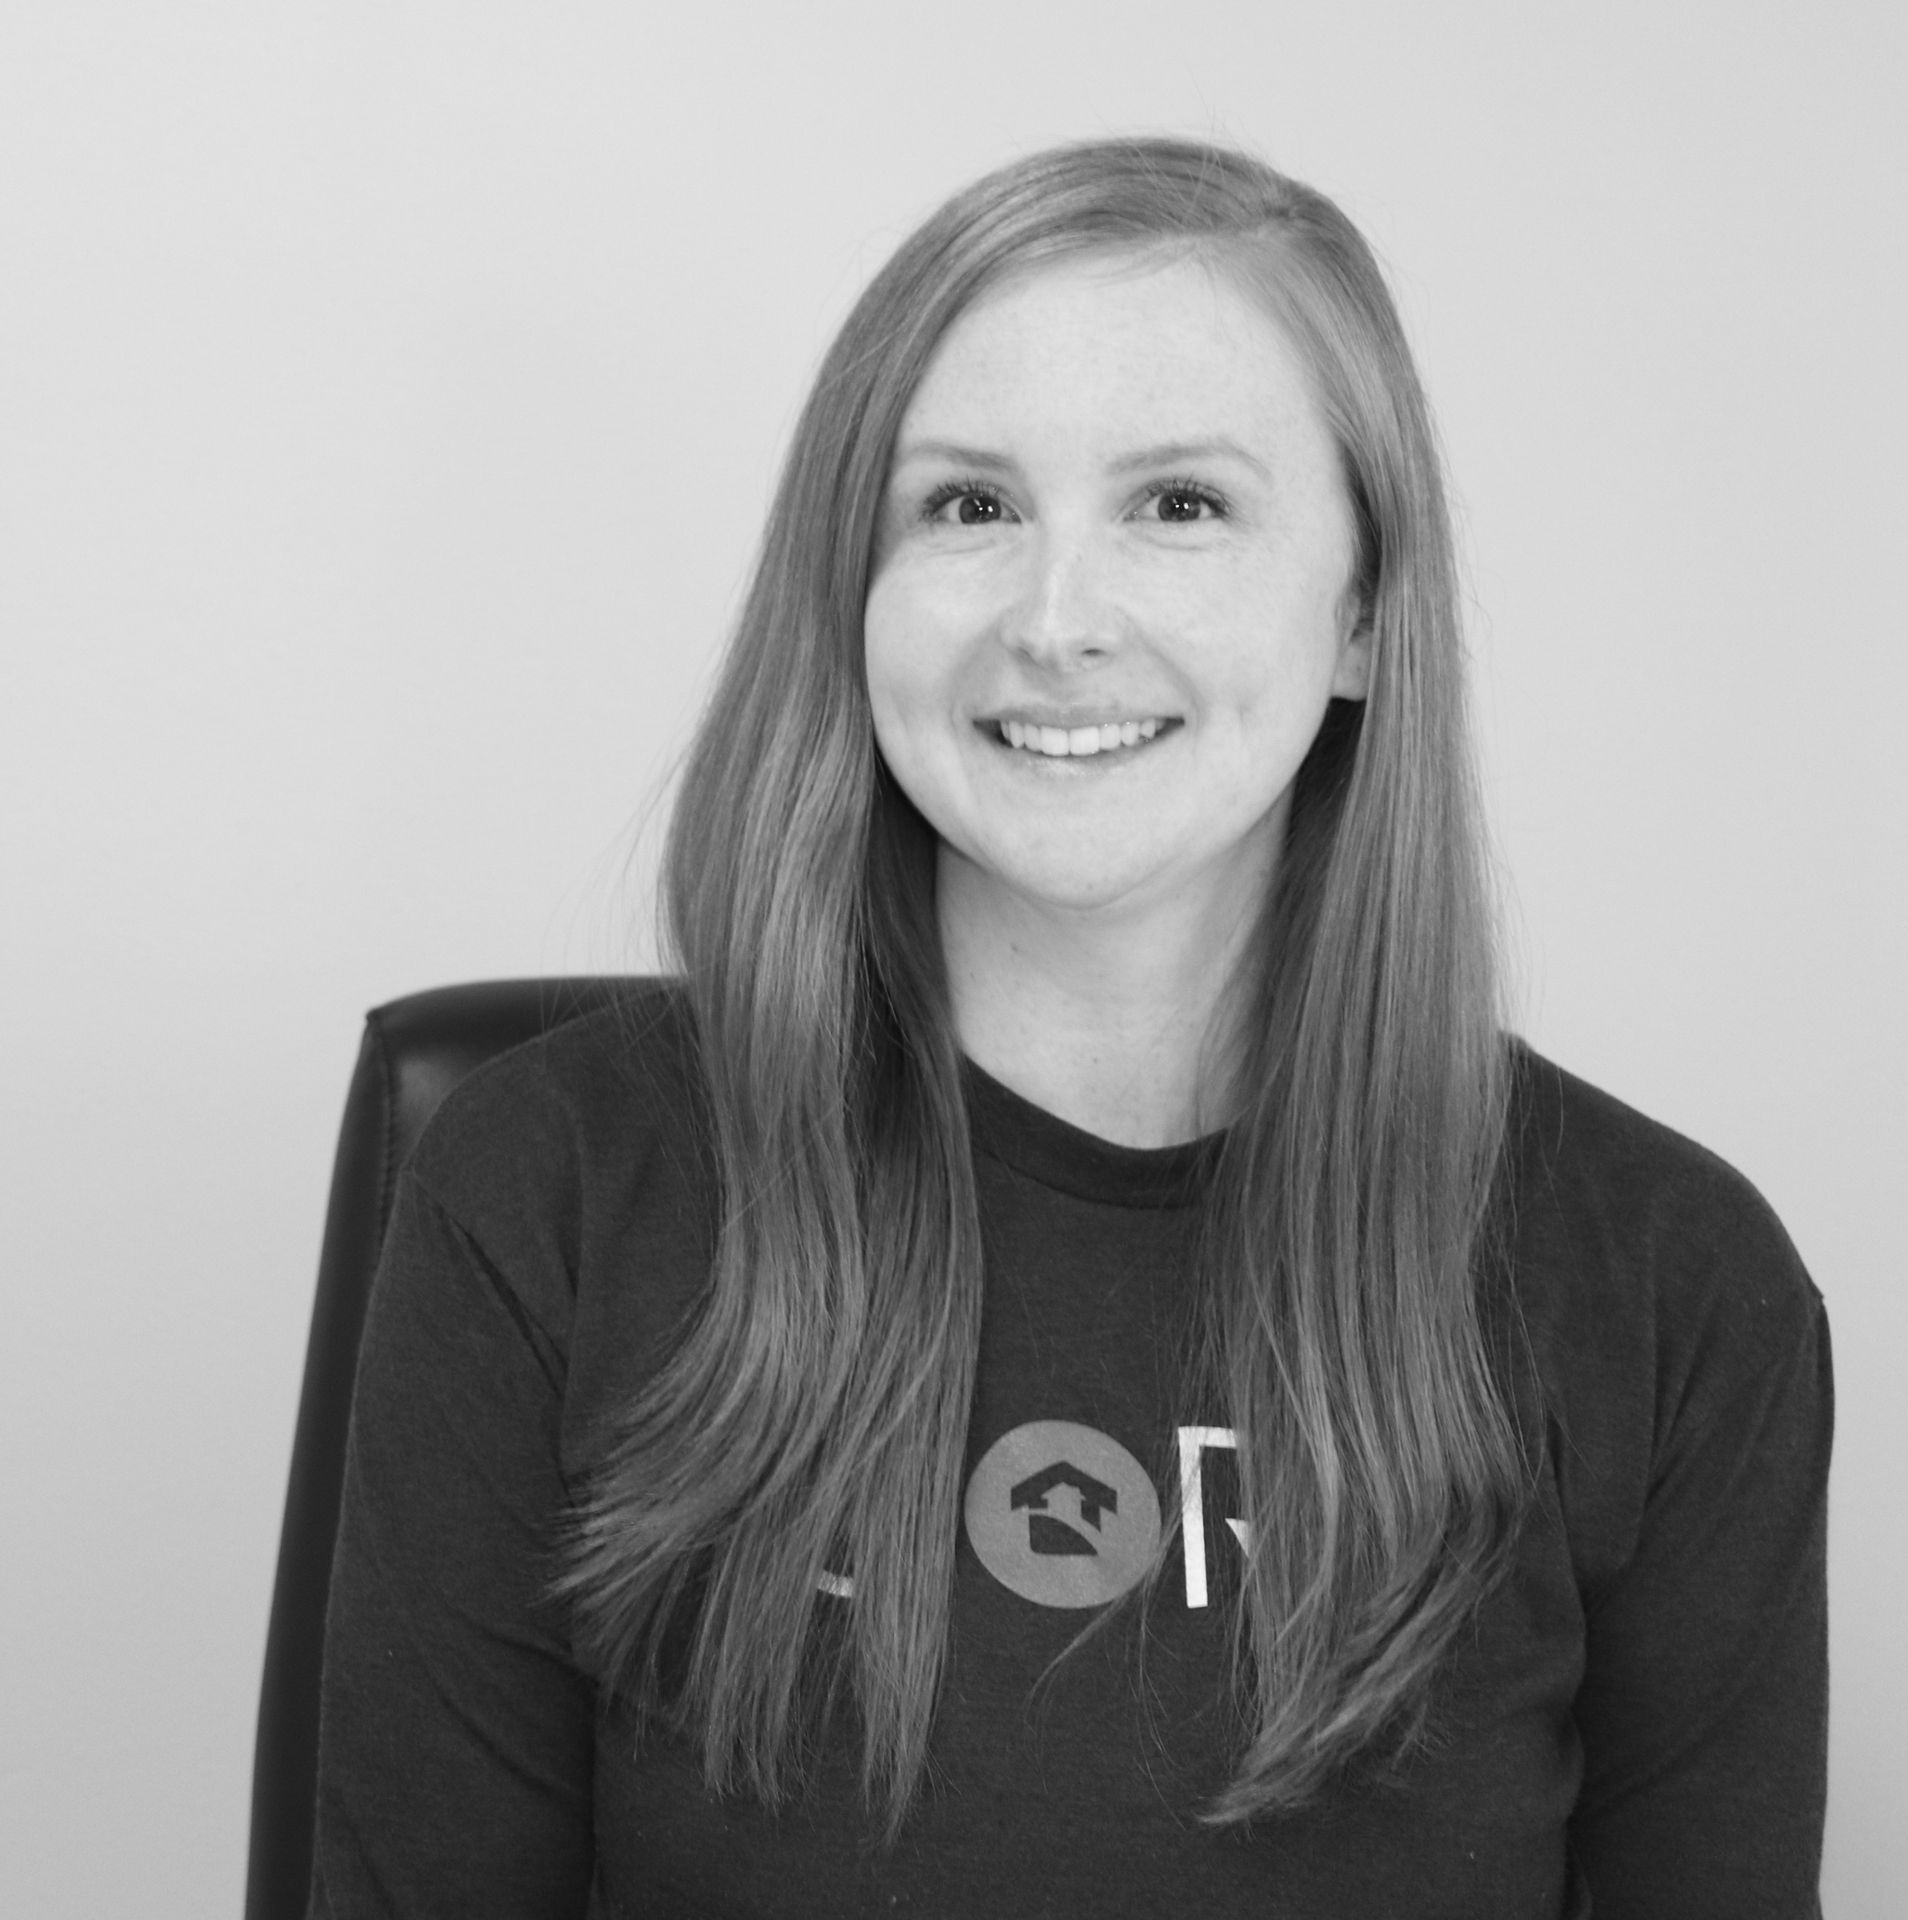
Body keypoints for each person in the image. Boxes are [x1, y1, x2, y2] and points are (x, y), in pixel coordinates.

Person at [309, 138, 1831, 1917]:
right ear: (854, 592)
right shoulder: (550, 1192)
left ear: (1362, 614)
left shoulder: (1669, 1289)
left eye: (1180, 504)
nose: (1054, 622)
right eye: (968, 507)